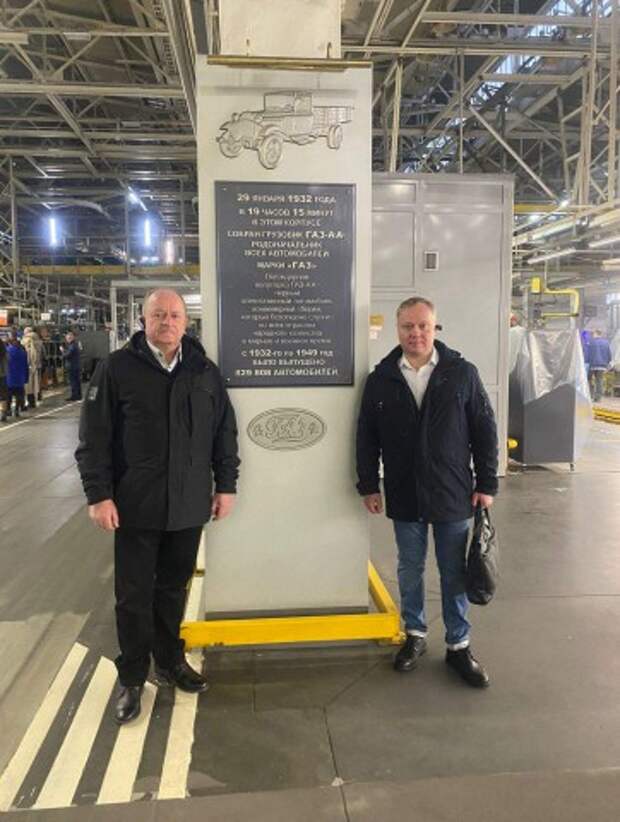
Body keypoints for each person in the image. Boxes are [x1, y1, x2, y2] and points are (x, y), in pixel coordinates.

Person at [76, 289, 240, 724]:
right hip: (135, 505)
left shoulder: (204, 372)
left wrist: (226, 486)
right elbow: (94, 438)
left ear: (186, 322)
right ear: (143, 320)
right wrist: (99, 495)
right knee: (133, 596)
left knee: (172, 590)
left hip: (187, 505)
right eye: (158, 315)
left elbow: (224, 434)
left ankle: (169, 661)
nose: (167, 322)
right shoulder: (117, 369)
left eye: (174, 315)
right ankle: (132, 677)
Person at [356, 297, 498, 688]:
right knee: (410, 568)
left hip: (453, 491)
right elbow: (366, 436)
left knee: (454, 572)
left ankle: (458, 645)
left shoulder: (461, 374)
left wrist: (487, 483)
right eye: (408, 326)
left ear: (435, 328)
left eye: (423, 326)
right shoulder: (381, 379)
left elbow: (484, 429)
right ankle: (415, 634)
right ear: (397, 329)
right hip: (404, 491)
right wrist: (368, 483)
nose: (415, 333)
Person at [5, 334, 29, 418]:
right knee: (19, 396)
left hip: (9, 378)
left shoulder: (7, 351)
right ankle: (16, 410)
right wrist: (26, 378)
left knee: (8, 396)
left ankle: (8, 410)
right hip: (20, 378)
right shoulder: (23, 352)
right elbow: (26, 366)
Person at [588, 329, 611, 402]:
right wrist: (607, 363)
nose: (592, 335)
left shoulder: (591, 342)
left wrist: (587, 361)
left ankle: (590, 395)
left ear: (596, 334)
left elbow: (588, 353)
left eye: (593, 334)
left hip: (592, 364)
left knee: (589, 379)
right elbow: (609, 354)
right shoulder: (606, 343)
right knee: (599, 381)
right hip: (602, 365)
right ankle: (598, 398)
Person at [22, 327, 43, 409]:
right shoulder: (39, 341)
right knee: (37, 383)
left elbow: (27, 354)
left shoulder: (26, 340)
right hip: (38, 365)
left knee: (28, 385)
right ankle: (38, 398)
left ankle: (31, 402)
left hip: (29, 365)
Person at [62, 331, 82, 401]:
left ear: (71, 338)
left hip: (72, 366)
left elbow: (67, 355)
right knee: (77, 381)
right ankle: (78, 395)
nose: (67, 339)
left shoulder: (72, 346)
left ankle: (75, 396)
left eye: (68, 338)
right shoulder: (75, 345)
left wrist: (62, 351)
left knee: (73, 381)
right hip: (76, 365)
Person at [0, 338, 8, 422]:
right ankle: (3, 413)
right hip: (2, 375)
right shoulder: (4, 349)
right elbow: (6, 361)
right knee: (3, 395)